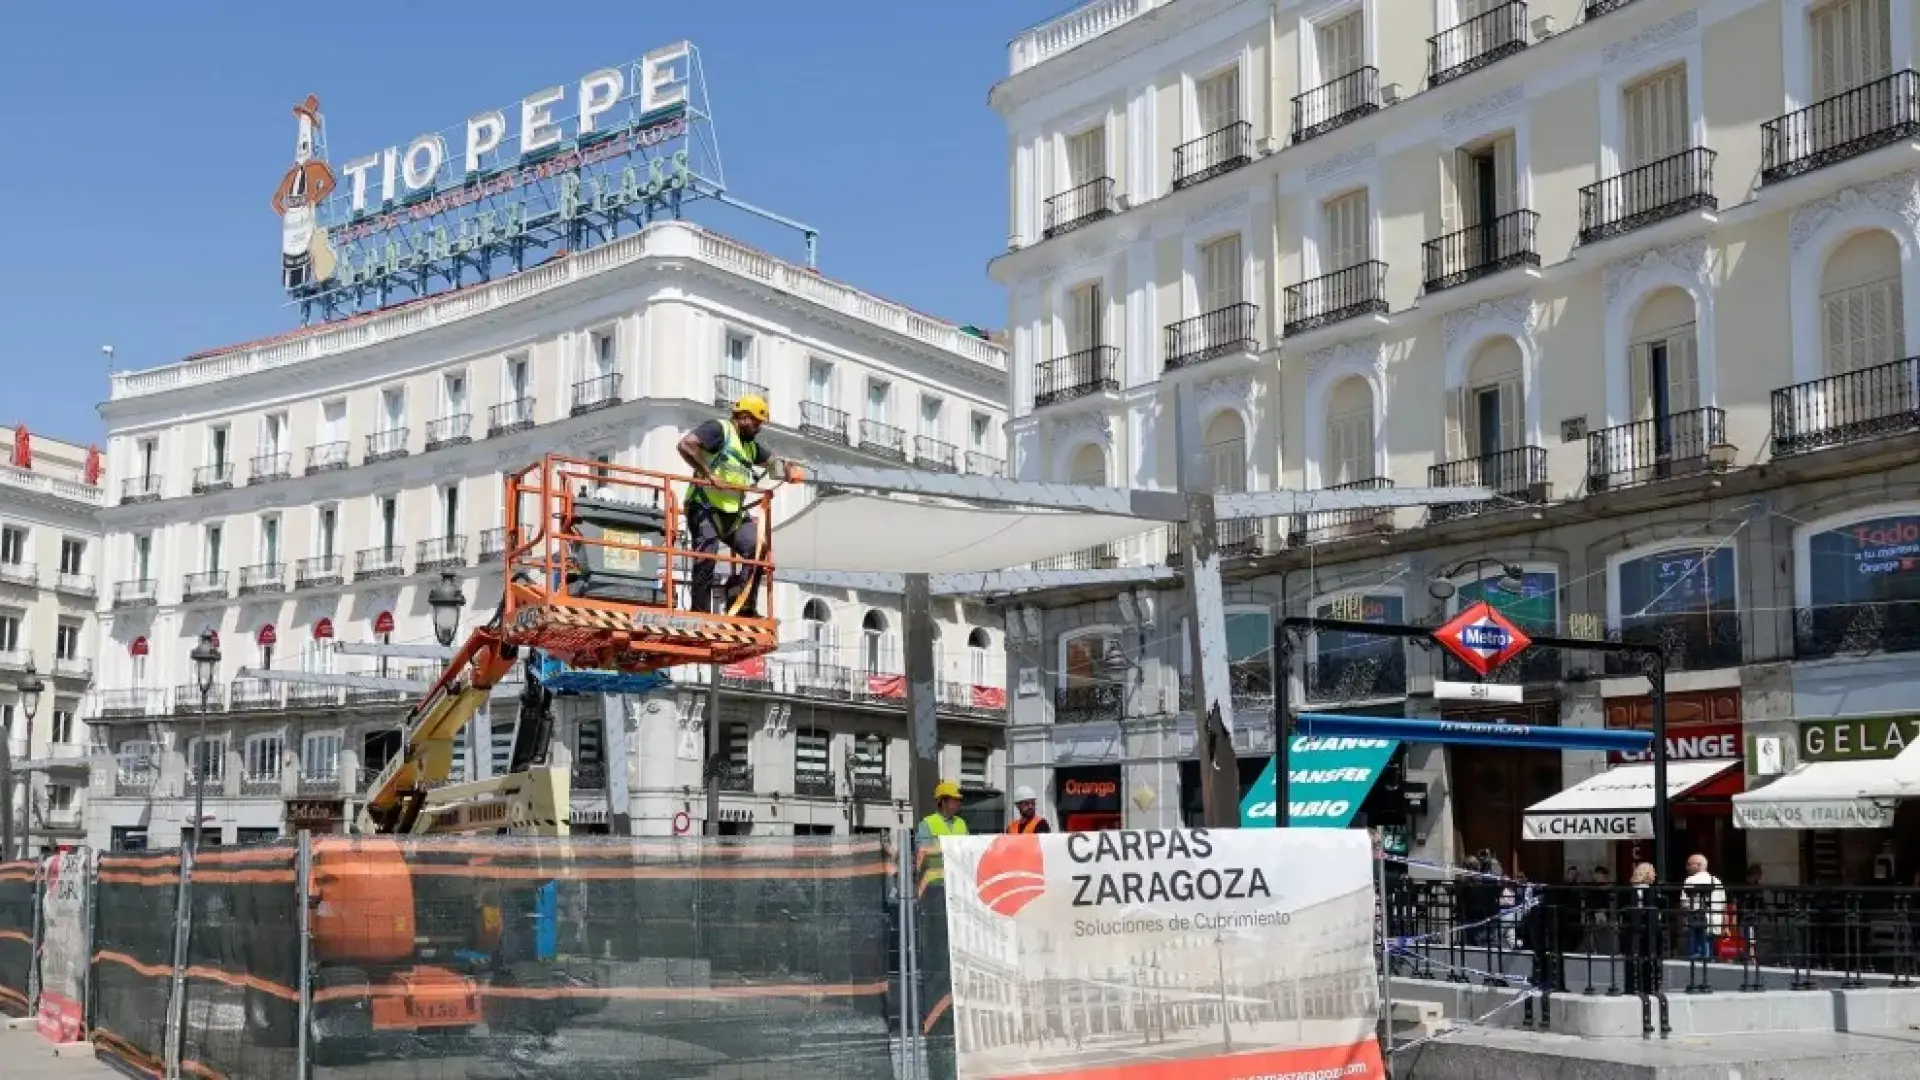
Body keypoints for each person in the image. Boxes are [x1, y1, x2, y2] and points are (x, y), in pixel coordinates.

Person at [676, 395, 798, 618]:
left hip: (733, 513)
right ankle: (699, 613)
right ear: (742, 417)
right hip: (705, 506)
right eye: (756, 423)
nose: (759, 429)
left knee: (758, 549)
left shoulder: (749, 447)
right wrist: (709, 474)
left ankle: (744, 605)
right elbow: (686, 444)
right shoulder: (719, 430)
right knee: (707, 555)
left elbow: (773, 463)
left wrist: (788, 470)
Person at [915, 781, 970, 1080]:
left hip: (956, 889)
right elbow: (924, 853)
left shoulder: (961, 824)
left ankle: (952, 981)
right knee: (936, 941)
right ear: (942, 801)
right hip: (935, 889)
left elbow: (967, 850)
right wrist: (948, 851)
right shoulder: (928, 824)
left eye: (959, 800)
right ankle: (938, 986)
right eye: (954, 800)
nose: (958, 804)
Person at [1682, 853, 1727, 959]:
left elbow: (1685, 904)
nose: (1686, 867)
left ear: (1698, 865)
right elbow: (1723, 905)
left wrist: (1683, 922)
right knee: (1709, 950)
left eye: (1689, 864)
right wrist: (1725, 925)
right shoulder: (1716, 881)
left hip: (1696, 922)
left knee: (1696, 954)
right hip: (1714, 922)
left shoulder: (1690, 880)